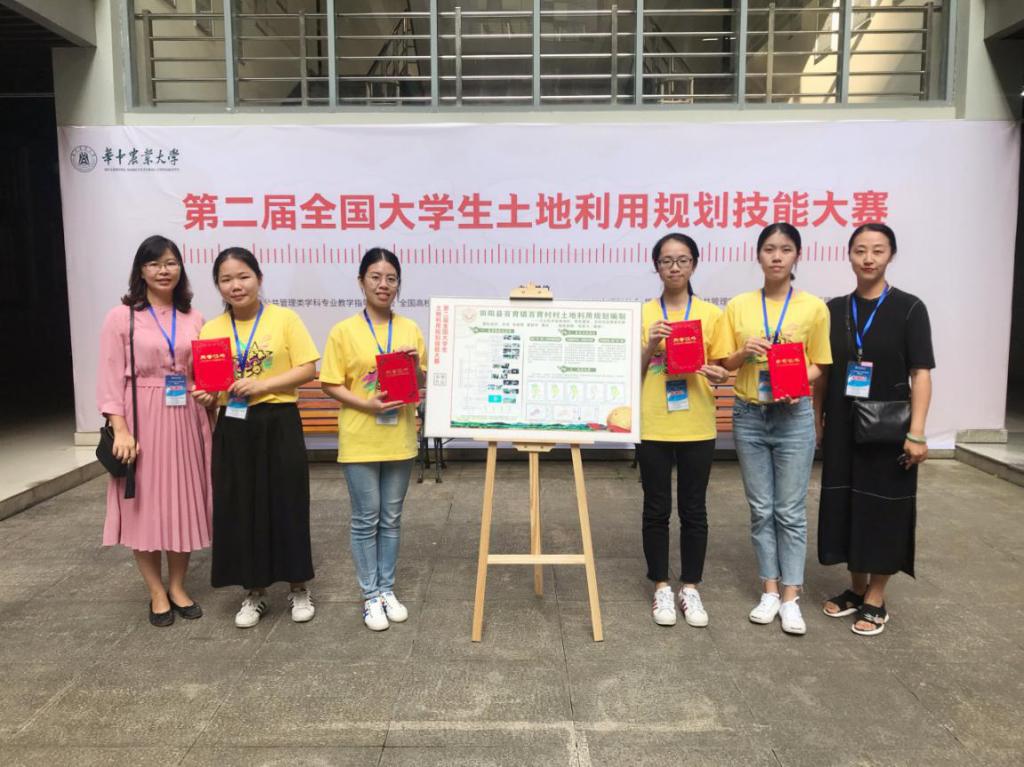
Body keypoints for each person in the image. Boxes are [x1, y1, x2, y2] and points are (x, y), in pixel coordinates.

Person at [817, 223, 934, 636]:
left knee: (884, 507)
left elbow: (921, 373)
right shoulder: (833, 310)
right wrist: (817, 417)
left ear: (891, 256)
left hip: (888, 428)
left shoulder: (910, 308)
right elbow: (824, 372)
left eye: (878, 250)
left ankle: (876, 596)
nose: (868, 258)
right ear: (849, 255)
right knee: (846, 503)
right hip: (842, 425)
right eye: (860, 250)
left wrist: (917, 432)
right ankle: (855, 587)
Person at [193, 247, 320, 628]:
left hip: (278, 421)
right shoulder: (212, 329)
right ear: (218, 285)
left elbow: (308, 368)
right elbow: (212, 386)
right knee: (240, 507)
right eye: (226, 279)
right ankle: (254, 591)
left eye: (243, 276)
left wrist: (262, 384)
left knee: (287, 502)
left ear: (259, 279)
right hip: (234, 426)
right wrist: (207, 396)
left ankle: (298, 586)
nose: (236, 285)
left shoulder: (284, 319)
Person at [718, 223, 832, 635]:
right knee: (761, 508)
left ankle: (791, 596)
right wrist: (742, 351)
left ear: (797, 255)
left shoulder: (814, 308)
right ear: (759, 255)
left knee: (790, 511)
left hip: (793, 417)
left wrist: (797, 383)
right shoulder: (739, 306)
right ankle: (768, 590)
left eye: (785, 249)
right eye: (769, 249)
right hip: (749, 415)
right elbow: (724, 365)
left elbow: (821, 363)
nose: (777, 256)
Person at [96, 235, 212, 627]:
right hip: (141, 418)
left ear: (181, 268)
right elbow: (110, 378)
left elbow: (205, 372)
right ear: (141, 271)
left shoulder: (195, 317)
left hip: (186, 419)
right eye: (154, 264)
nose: (164, 271)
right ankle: (156, 592)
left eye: (171, 263)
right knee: (144, 507)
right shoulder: (121, 317)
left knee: (183, 503)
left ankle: (177, 586)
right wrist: (120, 429)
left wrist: (210, 394)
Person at [320, 248, 426, 631]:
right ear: (361, 281)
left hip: (399, 435)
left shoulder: (410, 328)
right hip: (360, 436)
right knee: (366, 518)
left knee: (392, 518)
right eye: (376, 277)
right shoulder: (343, 331)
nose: (384, 285)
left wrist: (414, 368)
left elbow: (422, 382)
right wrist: (366, 404)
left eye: (391, 278)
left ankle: (386, 589)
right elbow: (330, 382)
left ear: (399, 284)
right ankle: (369, 595)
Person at [638, 233, 731, 628]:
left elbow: (723, 368)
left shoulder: (711, 314)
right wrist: (650, 345)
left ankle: (690, 586)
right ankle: (661, 585)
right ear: (656, 266)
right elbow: (630, 373)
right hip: (653, 424)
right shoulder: (644, 314)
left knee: (694, 510)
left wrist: (719, 374)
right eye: (666, 261)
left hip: (696, 424)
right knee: (655, 508)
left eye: (682, 260)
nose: (674, 268)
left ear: (694, 264)